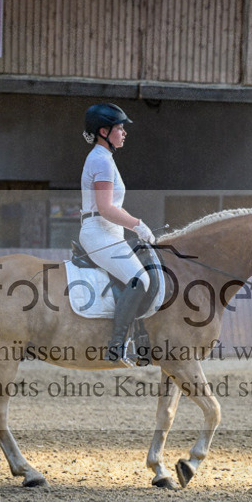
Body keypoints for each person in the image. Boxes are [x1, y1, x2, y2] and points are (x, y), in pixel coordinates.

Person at [79, 103, 155, 362]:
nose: (124, 133)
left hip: (109, 232)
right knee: (140, 280)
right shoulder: (101, 160)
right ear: (104, 131)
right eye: (120, 128)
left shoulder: (104, 158)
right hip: (99, 231)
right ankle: (117, 346)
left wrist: (133, 227)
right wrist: (137, 224)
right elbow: (105, 208)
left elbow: (112, 209)